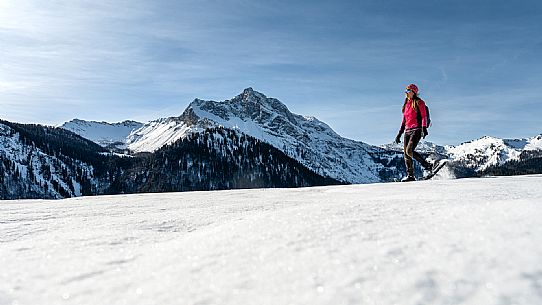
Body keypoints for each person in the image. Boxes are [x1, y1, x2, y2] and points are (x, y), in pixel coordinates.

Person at [394, 84, 434, 182]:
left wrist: (424, 128)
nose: (406, 93)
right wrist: (399, 134)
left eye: (408, 91)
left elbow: (424, 116)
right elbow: (404, 121)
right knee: (406, 155)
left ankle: (428, 165)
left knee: (409, 151)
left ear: (413, 92)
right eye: (406, 91)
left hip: (416, 130)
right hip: (407, 131)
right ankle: (410, 176)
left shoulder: (419, 102)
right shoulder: (406, 105)